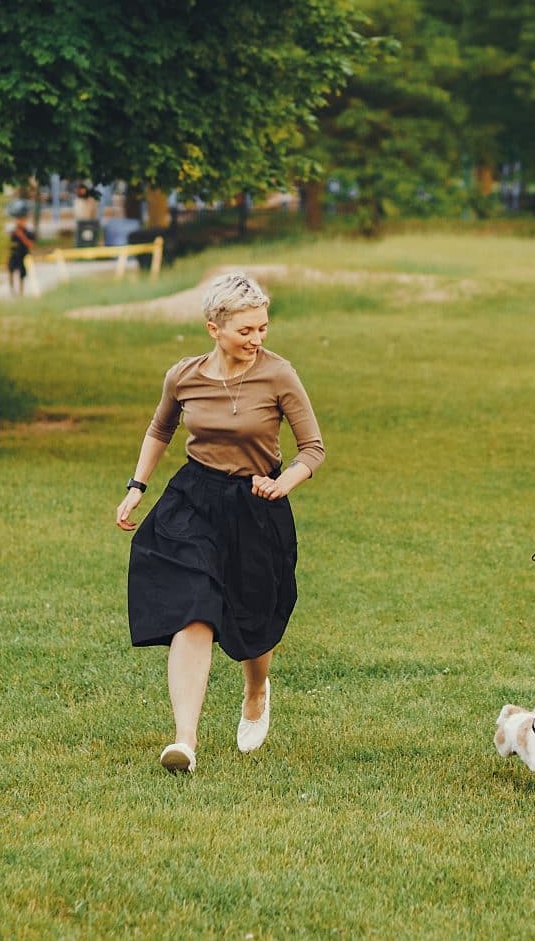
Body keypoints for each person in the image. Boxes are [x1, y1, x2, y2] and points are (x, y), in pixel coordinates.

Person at [115, 271, 325, 773]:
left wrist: (284, 483)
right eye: (245, 331)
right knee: (195, 606)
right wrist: (136, 486)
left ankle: (256, 688)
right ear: (214, 328)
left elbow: (312, 449)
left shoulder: (279, 375)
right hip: (194, 499)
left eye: (262, 329)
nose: (256, 340)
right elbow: (160, 428)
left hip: (257, 502)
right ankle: (184, 740)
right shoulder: (183, 375)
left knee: (253, 617)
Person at [6, 215, 36, 296]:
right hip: (14, 255)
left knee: (22, 274)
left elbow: (31, 244)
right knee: (10, 271)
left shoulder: (28, 232)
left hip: (23, 255)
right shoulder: (13, 232)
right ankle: (12, 290)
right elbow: (8, 244)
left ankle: (21, 292)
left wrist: (21, 236)